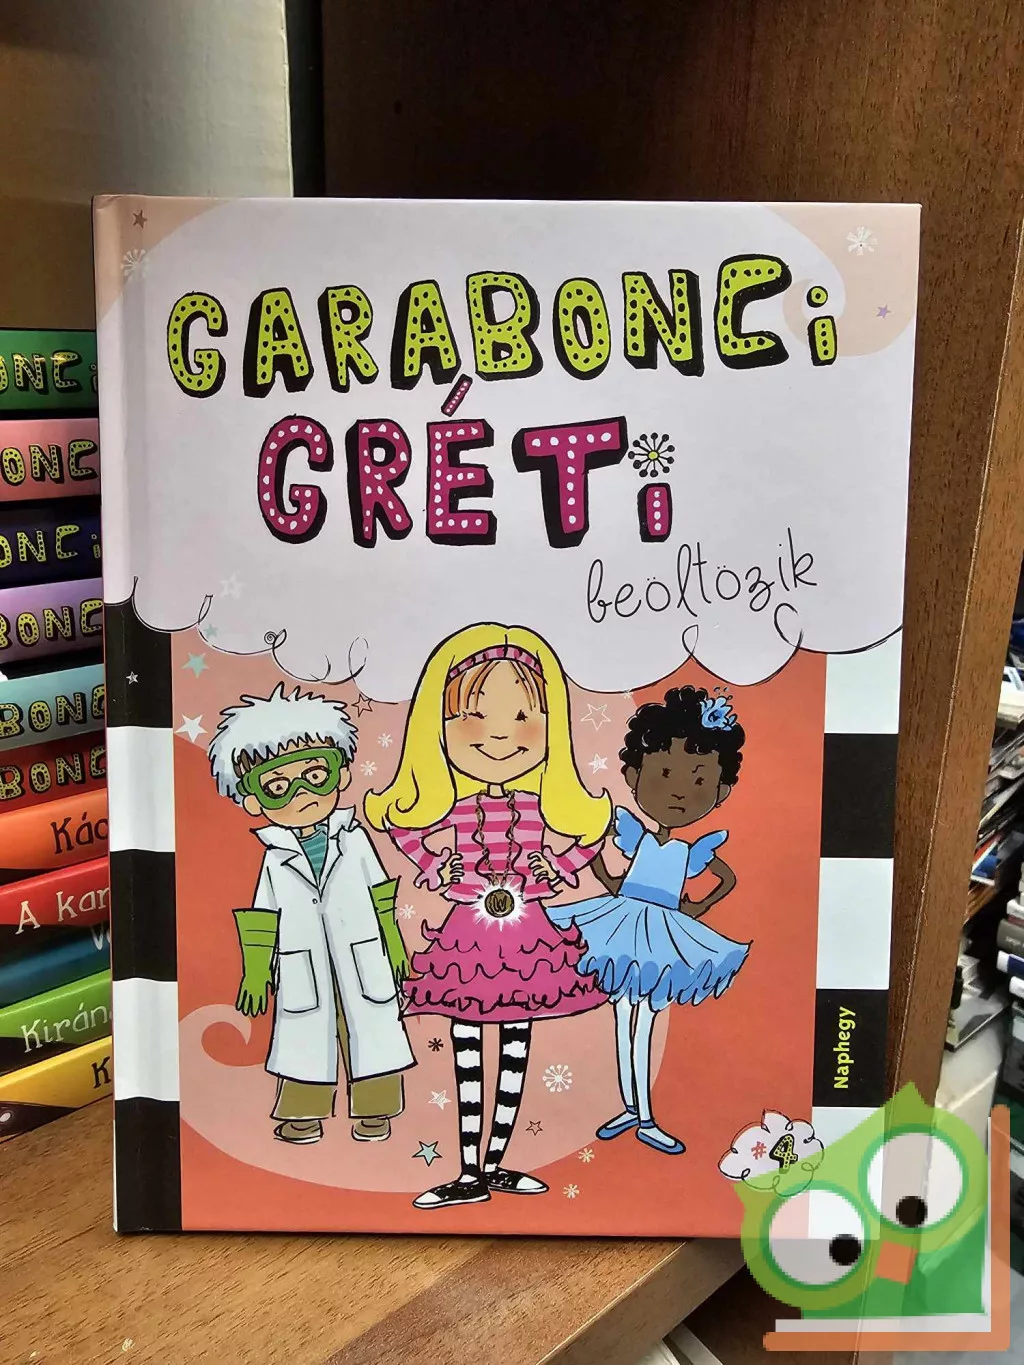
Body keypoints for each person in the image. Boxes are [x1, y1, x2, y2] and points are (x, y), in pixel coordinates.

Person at [366, 623, 611, 1208]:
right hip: (467, 937)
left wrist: (555, 866)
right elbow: (403, 828)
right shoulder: (451, 805)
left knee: (517, 1049)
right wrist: (438, 866)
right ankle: (467, 1169)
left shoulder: (542, 804)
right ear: (437, 726)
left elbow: (587, 837)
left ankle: (495, 1164)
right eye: (474, 717)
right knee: (469, 1053)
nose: (501, 734)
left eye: (524, 716)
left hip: (527, 934)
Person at [208, 683, 414, 1145]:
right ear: (254, 801)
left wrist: (395, 945)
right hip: (303, 966)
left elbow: (381, 894)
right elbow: (263, 915)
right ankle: (303, 1116)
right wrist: (256, 971)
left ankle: (376, 1111)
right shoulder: (275, 856)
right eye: (278, 786)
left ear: (340, 774)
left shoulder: (354, 838)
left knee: (372, 1030)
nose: (301, 793)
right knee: (304, 1037)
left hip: (364, 957)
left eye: (316, 774)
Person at [550, 686, 749, 1155]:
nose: (679, 790)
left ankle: (645, 1116)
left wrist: (695, 909)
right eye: (663, 774)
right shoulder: (636, 834)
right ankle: (632, 1110)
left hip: (662, 936)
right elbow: (600, 856)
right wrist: (605, 878)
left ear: (720, 792)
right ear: (633, 775)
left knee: (644, 1024)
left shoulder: (688, 850)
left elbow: (727, 879)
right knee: (624, 1021)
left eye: (698, 780)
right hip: (623, 923)